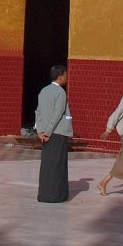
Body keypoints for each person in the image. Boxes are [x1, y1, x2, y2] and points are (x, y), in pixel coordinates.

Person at [32, 63, 72, 203]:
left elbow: (38, 111)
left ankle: (45, 194)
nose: (67, 77)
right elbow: (58, 114)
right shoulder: (60, 92)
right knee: (58, 165)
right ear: (60, 77)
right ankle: (56, 195)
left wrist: (39, 131)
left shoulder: (43, 91)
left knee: (47, 164)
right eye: (65, 75)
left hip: (44, 134)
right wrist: (48, 132)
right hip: (57, 133)